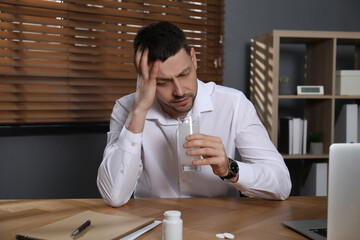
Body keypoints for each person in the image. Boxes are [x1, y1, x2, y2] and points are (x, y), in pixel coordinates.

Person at [97, 21, 291, 207]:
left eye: (184, 74)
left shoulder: (233, 103)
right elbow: (114, 196)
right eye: (162, 82)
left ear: (194, 58)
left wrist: (228, 168)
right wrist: (138, 111)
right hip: (155, 223)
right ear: (144, 78)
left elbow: (282, 184)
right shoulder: (126, 109)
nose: (180, 91)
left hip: (221, 225)